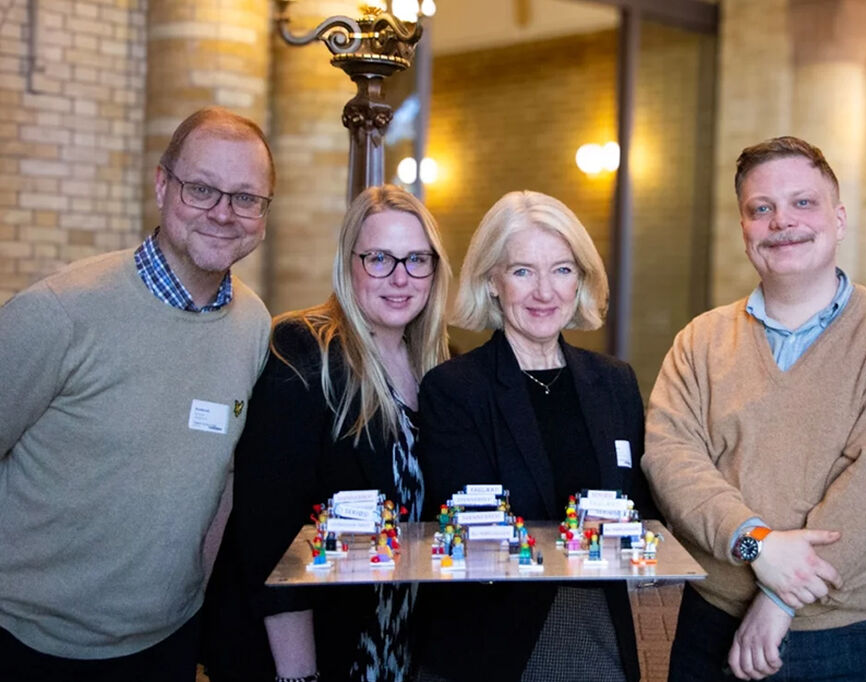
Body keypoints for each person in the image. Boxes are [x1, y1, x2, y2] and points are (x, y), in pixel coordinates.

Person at [642, 136, 866, 681]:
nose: (783, 221)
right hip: (712, 619)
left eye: (803, 202)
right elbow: (671, 457)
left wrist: (780, 600)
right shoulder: (701, 340)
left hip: (852, 635)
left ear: (840, 218)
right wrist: (754, 541)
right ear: (744, 230)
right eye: (762, 208)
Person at [0, 107, 273, 682]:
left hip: (167, 644)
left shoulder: (253, 326)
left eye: (246, 198)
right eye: (201, 189)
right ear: (161, 185)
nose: (224, 214)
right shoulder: (57, 315)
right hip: (26, 643)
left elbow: (221, 477)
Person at [201, 185, 451, 682]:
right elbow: (269, 532)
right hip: (312, 649)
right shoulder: (303, 351)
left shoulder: (441, 367)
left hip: (397, 641)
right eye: (379, 258)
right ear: (349, 262)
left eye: (417, 260)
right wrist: (299, 674)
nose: (400, 278)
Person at [412, 190, 654, 682]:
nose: (545, 292)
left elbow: (641, 510)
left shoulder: (615, 383)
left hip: (601, 638)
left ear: (581, 279)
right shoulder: (455, 390)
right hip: (494, 646)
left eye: (562, 270)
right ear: (492, 281)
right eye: (523, 271)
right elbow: (474, 531)